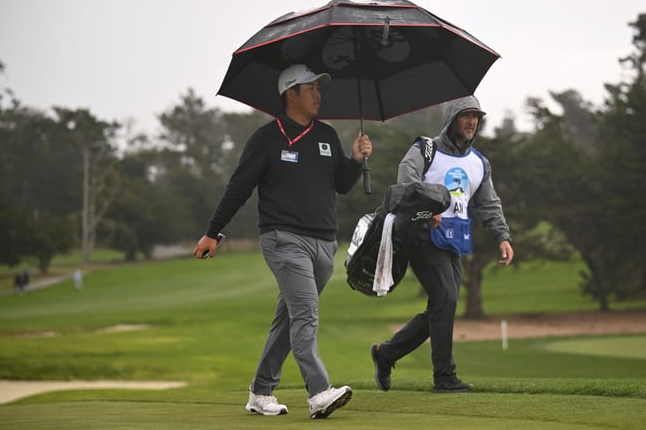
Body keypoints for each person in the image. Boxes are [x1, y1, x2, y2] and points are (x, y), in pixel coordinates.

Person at [193, 64, 372, 419]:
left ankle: (260, 391)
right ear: (291, 94)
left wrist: (355, 159)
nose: (319, 95)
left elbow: (341, 184)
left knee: (289, 319)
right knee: (305, 313)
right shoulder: (266, 138)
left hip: (323, 243)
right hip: (283, 239)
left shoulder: (326, 135)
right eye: (311, 89)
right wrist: (213, 231)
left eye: (319, 88)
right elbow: (239, 187)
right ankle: (319, 391)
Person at [370, 95, 514, 393]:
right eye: (466, 116)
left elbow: (489, 203)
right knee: (446, 301)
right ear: (451, 119)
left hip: (455, 239)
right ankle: (444, 377)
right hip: (422, 234)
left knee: (442, 305)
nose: (472, 121)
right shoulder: (426, 148)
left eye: (476, 116)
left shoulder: (479, 163)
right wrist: (426, 206)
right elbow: (406, 178)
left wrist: (502, 236)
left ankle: (386, 353)